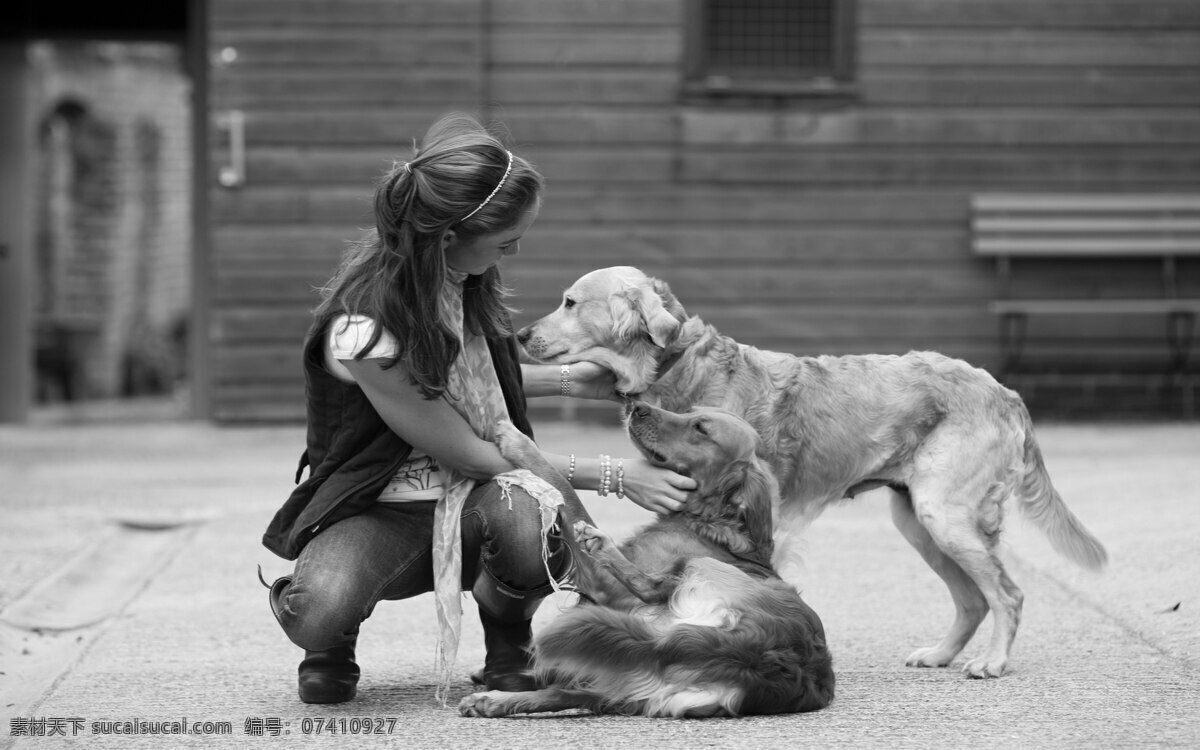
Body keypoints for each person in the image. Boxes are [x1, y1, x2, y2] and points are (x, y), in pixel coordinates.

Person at [259, 113, 696, 705]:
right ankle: (330, 638)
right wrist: (616, 476)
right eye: (506, 240)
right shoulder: (361, 332)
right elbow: (474, 450)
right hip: (377, 510)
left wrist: (576, 380)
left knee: (526, 527)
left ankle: (508, 639)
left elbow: (470, 388)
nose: (513, 251)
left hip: (475, 506)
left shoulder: (460, 279)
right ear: (446, 237)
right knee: (319, 607)